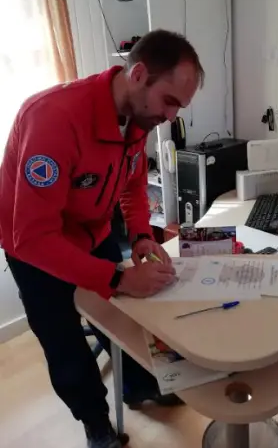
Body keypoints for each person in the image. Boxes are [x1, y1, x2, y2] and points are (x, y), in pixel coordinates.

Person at [0, 29, 204, 448]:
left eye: (179, 108)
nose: (170, 117)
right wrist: (117, 278)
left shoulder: (138, 116)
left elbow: (132, 185)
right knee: (64, 341)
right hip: (35, 247)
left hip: (94, 231)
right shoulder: (53, 119)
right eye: (169, 101)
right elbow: (34, 237)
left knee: (122, 319)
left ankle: (137, 385)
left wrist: (141, 235)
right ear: (139, 74)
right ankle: (95, 421)